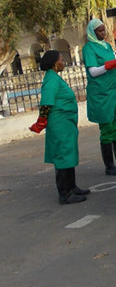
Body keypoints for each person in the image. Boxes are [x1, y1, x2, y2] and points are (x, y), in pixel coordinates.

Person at [29, 50, 90, 205]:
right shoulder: (51, 80)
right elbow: (46, 102)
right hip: (59, 125)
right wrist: (41, 122)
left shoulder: (55, 78)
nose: (64, 62)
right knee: (62, 157)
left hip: (66, 124)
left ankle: (72, 187)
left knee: (68, 154)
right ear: (56, 64)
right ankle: (65, 193)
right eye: (62, 60)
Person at [82, 18, 116, 176]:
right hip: (100, 92)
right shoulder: (89, 48)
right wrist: (111, 64)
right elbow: (93, 71)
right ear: (92, 32)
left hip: (112, 90)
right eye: (100, 31)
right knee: (106, 128)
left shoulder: (108, 46)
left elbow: (111, 68)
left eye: (104, 30)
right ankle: (109, 165)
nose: (103, 33)